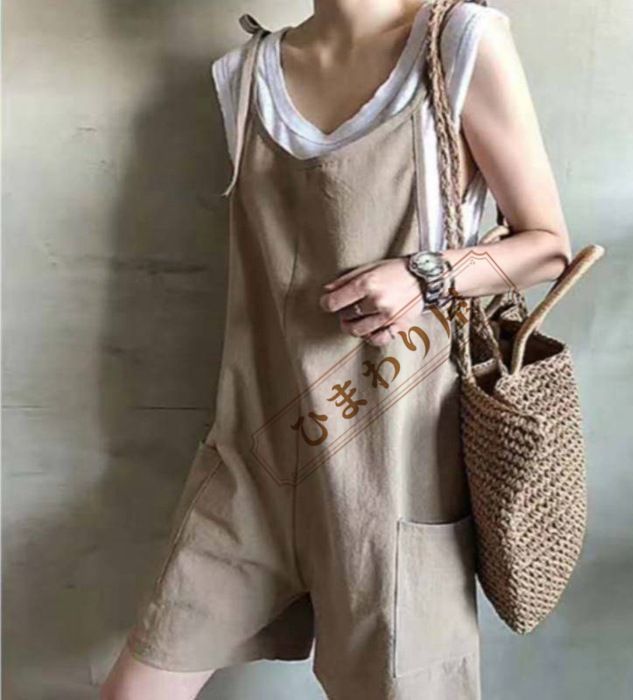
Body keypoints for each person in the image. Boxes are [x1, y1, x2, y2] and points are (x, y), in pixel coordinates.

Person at [101, 1, 572, 698]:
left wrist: (425, 276)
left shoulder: (456, 41)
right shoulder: (246, 74)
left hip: (394, 471)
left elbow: (548, 247)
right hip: (253, 461)